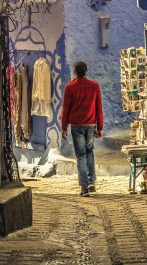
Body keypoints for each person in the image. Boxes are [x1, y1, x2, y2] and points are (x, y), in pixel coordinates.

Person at [61, 60, 104, 197]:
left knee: (81, 156)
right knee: (89, 152)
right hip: (91, 126)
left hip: (76, 126)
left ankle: (84, 188)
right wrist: (100, 127)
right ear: (86, 71)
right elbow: (99, 108)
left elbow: (66, 109)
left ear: (75, 72)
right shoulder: (94, 86)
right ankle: (92, 182)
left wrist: (64, 127)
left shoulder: (70, 87)